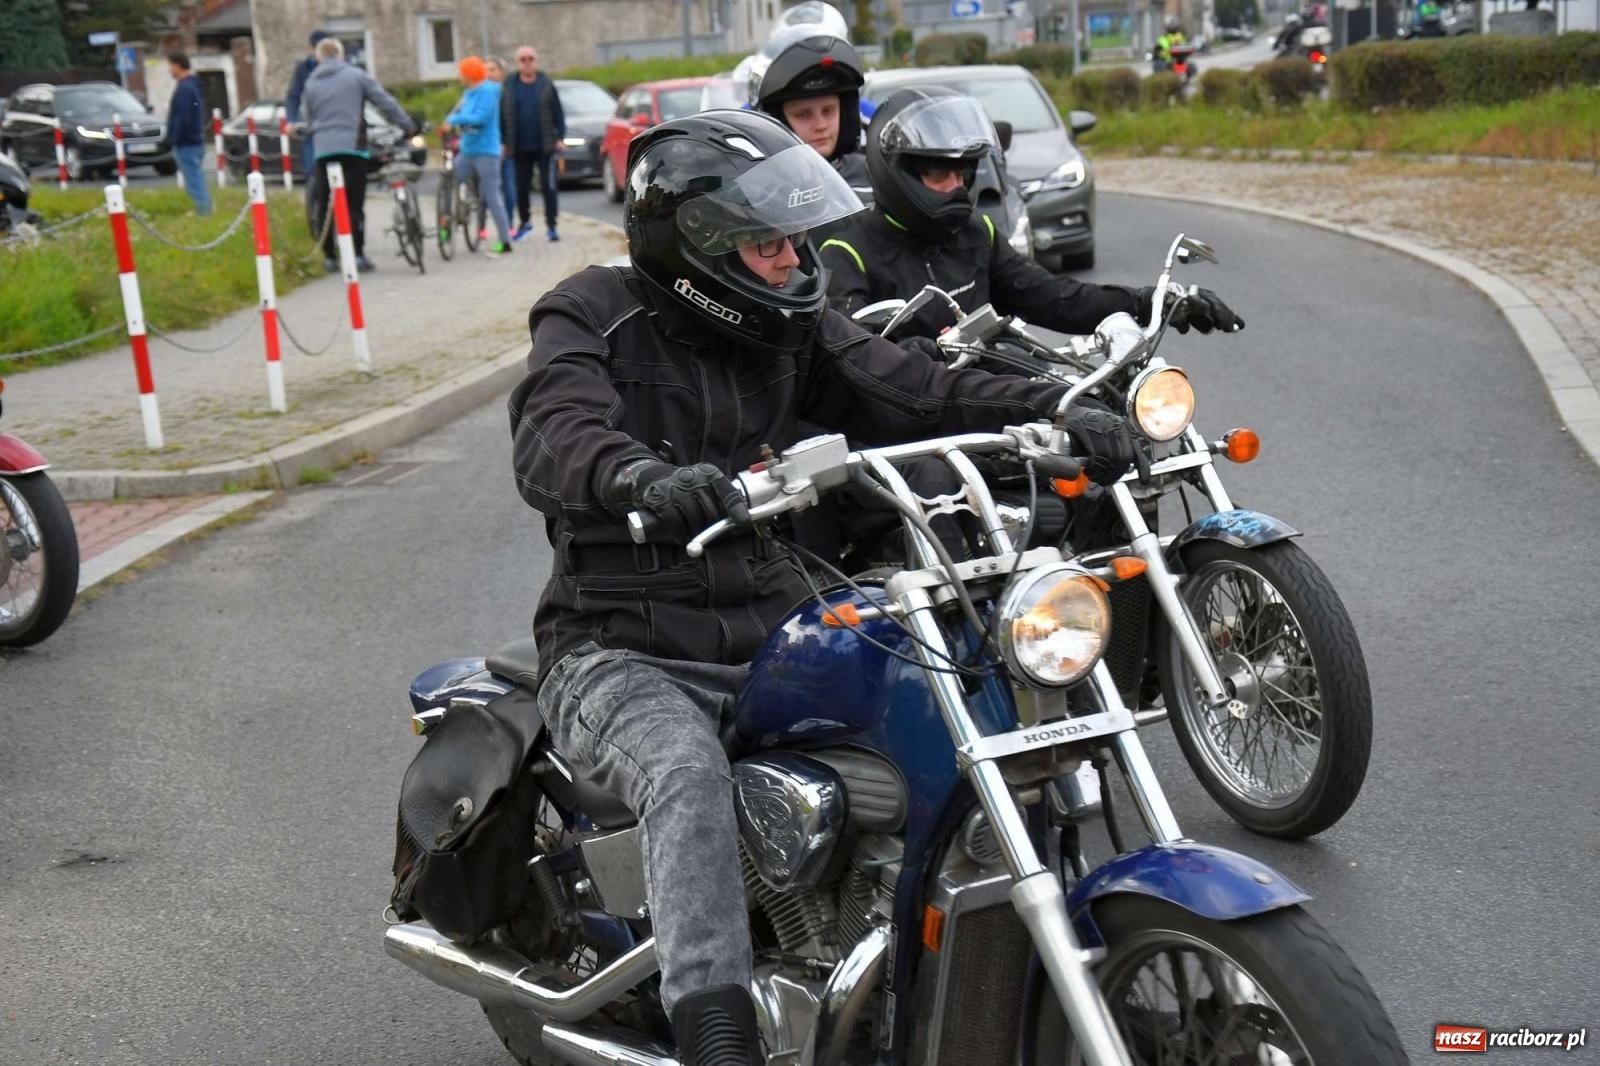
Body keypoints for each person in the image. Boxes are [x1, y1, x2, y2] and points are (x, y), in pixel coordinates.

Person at [509, 108, 1138, 1066]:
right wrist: (639, 478)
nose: (792, 261)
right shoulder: (590, 312)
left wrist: (1060, 407)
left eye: (796, 240)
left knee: (950, 691)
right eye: (768, 245)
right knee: (685, 775)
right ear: (699, 246)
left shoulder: (794, 323)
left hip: (771, 620)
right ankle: (718, 1035)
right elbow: (557, 428)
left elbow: (918, 384)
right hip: (622, 645)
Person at [820, 86, 1243, 345]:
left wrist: (1152, 301)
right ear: (896, 170)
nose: (954, 185)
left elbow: (1056, 298)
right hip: (911, 436)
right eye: (936, 173)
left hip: (995, 400)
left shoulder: (977, 233)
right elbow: (856, 355)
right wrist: (915, 350)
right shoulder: (848, 251)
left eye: (961, 172)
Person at [301, 35, 417, 273]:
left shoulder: (310, 82)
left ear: (318, 57)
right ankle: (357, 255)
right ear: (341, 55)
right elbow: (384, 102)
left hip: (323, 150)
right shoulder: (356, 76)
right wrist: (407, 125)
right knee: (354, 204)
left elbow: (307, 120)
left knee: (326, 202)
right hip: (353, 148)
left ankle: (330, 258)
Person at [747, 23, 869, 195]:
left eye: (828, 111)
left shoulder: (875, 179)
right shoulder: (759, 192)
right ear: (775, 119)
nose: (820, 125)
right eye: (803, 115)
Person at [444, 55, 514, 256]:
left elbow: (480, 118)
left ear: (469, 75)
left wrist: (454, 119)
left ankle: (505, 240)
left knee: (492, 195)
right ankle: (448, 223)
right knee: (450, 179)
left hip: (487, 152)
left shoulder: (489, 92)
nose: (460, 78)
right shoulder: (469, 92)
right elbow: (460, 112)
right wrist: (451, 120)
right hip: (468, 150)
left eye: (462, 74)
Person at [501, 46, 565, 242]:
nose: (527, 62)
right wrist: (504, 141)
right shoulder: (510, 85)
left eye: (530, 58)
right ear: (517, 63)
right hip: (519, 146)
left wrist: (560, 137)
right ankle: (524, 222)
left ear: (536, 61)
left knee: (549, 186)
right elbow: (503, 115)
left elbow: (558, 112)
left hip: (545, 145)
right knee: (521, 187)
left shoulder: (545, 83)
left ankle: (552, 225)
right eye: (523, 59)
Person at [162, 53, 211, 217]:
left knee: (194, 181)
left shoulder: (185, 88)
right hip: (195, 140)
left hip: (186, 143)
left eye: (170, 65)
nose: (169, 69)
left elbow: (182, 118)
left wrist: (173, 139)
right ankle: (204, 210)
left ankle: (204, 212)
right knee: (196, 178)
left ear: (177, 65)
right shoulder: (193, 85)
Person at [284, 29, 329, 182]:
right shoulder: (303, 68)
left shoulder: (338, 66)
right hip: (312, 124)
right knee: (312, 171)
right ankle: (315, 200)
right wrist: (291, 121)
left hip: (333, 124)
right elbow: (293, 96)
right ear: (311, 49)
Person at [485, 55, 518, 227]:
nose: (489, 74)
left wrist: (506, 144)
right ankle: (481, 227)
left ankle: (509, 224)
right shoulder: (478, 95)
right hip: (483, 150)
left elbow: (511, 122)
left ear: (501, 73)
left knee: (508, 189)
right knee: (484, 191)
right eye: (485, 71)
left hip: (503, 148)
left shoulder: (506, 95)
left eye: (492, 70)